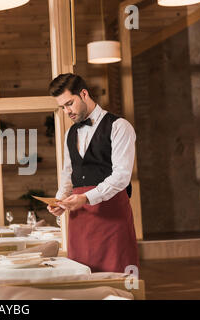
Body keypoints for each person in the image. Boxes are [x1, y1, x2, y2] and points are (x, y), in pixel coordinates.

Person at [47, 73, 139, 273]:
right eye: (62, 107)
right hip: (79, 219)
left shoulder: (119, 126)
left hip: (111, 215)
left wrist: (86, 198)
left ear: (84, 94)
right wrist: (60, 200)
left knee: (118, 277)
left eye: (69, 103)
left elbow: (122, 176)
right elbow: (68, 173)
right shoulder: (69, 133)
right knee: (82, 278)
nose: (67, 111)